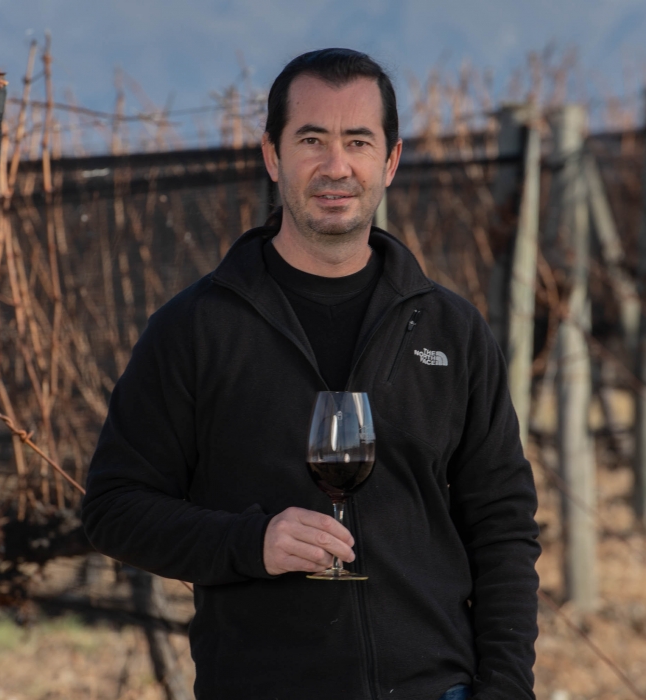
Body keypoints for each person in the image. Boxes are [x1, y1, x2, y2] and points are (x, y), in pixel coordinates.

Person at [82, 48, 540, 700]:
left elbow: (503, 525)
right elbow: (114, 508)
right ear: (272, 155)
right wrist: (250, 542)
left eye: (358, 142)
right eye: (311, 140)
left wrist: (506, 689)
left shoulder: (451, 331)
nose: (336, 166)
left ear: (391, 161)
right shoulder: (194, 328)